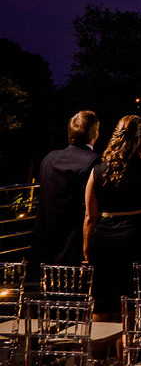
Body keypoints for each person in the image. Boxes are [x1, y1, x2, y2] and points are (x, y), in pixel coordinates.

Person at [83, 114, 141, 321]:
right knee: (131, 304)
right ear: (140, 139)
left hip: (103, 239)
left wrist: (87, 249)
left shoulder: (97, 170)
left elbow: (90, 215)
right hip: (137, 238)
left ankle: (98, 351)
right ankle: (125, 352)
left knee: (102, 303)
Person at [33, 111, 100, 267]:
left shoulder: (49, 158)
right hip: (75, 246)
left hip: (46, 244)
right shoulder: (94, 162)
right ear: (95, 134)